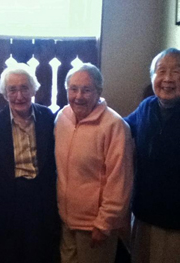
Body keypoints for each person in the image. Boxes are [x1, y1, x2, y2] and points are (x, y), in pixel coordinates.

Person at [0, 63, 59, 263]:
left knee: (39, 254)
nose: (19, 96)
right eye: (12, 90)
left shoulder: (48, 118)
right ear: (5, 94)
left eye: (24, 88)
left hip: (39, 201)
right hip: (4, 203)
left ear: (33, 90)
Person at [55, 63, 133, 263]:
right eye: (73, 89)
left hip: (95, 226)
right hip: (65, 221)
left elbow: (120, 179)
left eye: (86, 90)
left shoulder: (114, 125)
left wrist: (105, 222)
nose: (78, 96)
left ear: (98, 91)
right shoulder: (61, 118)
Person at [124, 48, 180, 263]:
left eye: (176, 72)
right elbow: (121, 128)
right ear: (152, 77)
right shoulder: (147, 107)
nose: (167, 79)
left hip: (175, 222)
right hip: (144, 214)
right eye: (161, 71)